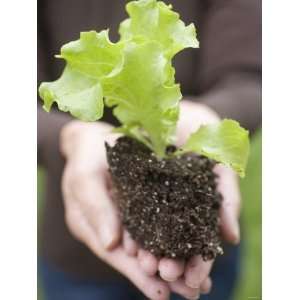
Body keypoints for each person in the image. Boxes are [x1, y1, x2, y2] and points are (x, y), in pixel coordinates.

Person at [38, 0, 261, 299]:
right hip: (76, 259)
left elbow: (251, 76)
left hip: (206, 255)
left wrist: (211, 116)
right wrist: (66, 137)